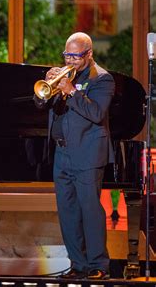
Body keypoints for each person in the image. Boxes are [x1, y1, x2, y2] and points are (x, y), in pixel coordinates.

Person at [34, 32, 115, 280]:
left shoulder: (101, 79)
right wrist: (48, 88)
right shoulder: (62, 76)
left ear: (88, 54)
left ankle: (98, 265)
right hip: (63, 152)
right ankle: (77, 264)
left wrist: (71, 92)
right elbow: (40, 104)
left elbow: (97, 112)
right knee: (67, 211)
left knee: (90, 210)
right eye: (66, 54)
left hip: (88, 153)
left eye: (75, 56)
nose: (70, 60)